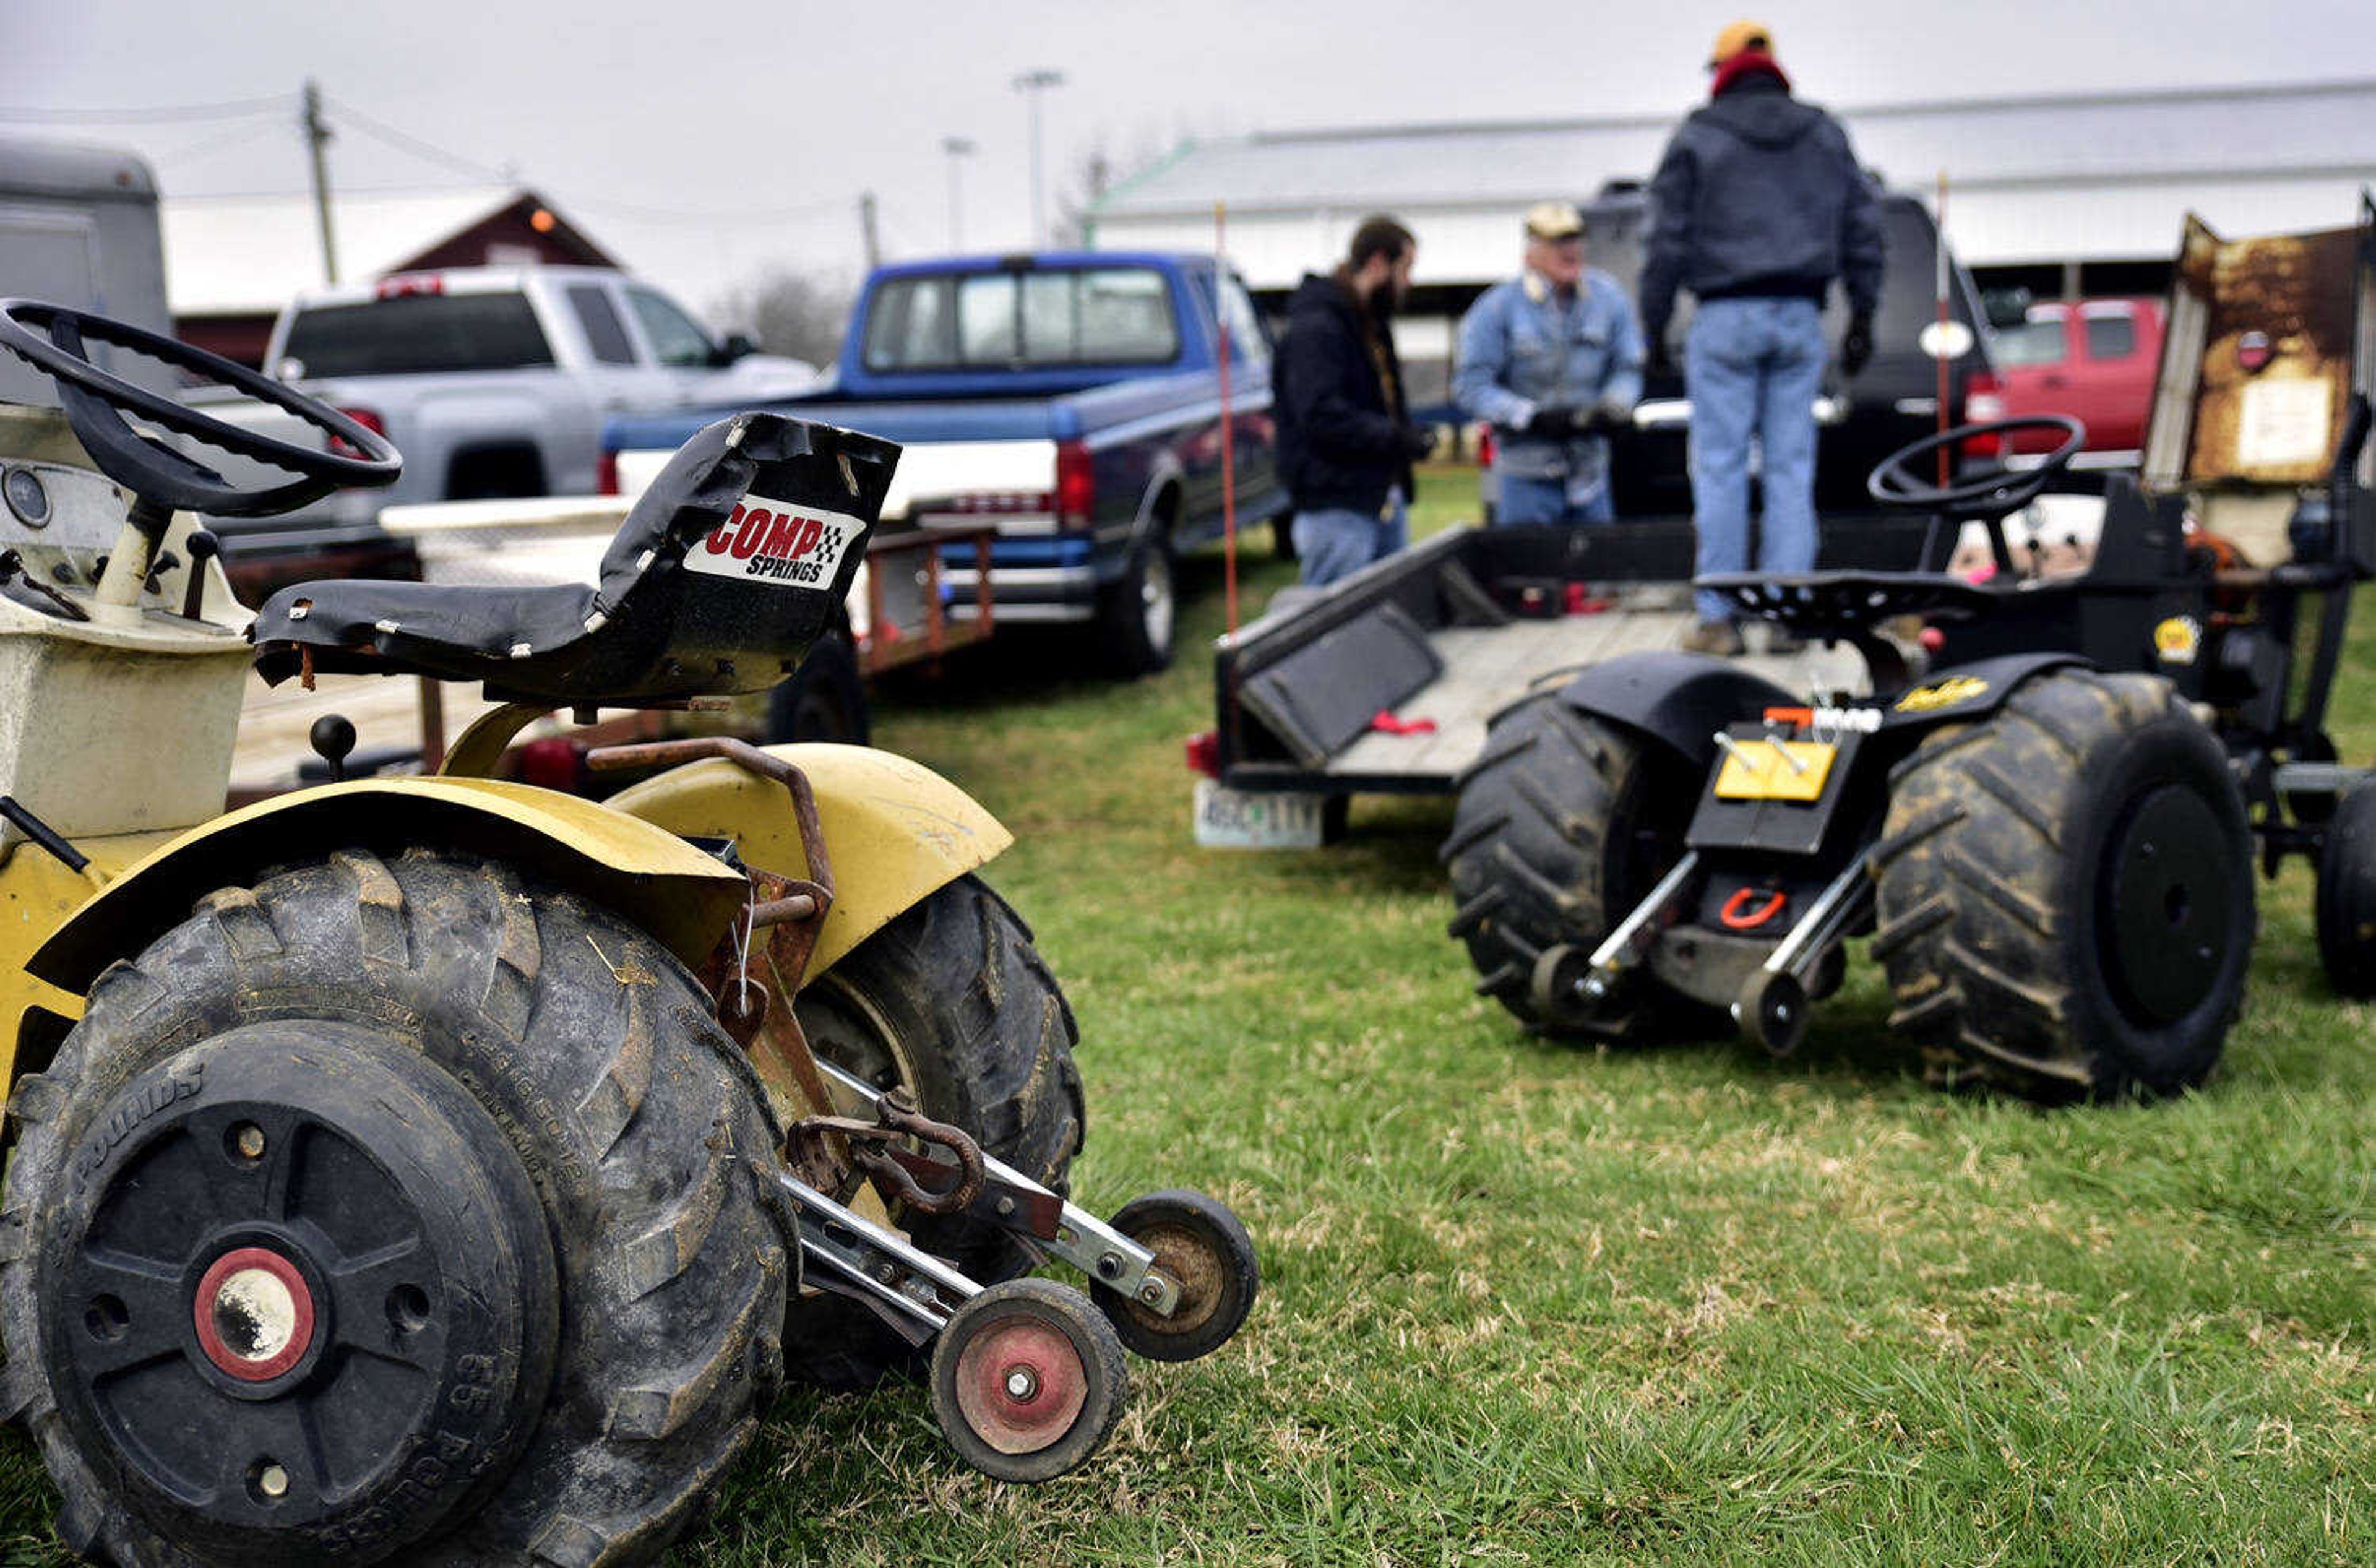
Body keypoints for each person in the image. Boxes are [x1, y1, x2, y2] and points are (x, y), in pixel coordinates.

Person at [1639, 19, 1885, 654]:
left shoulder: (1697, 136)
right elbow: (1863, 225)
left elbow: (1664, 238)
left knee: (1719, 469)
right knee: (1790, 470)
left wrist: (1654, 320)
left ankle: (1718, 618)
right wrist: (1862, 314)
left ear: (1722, 70)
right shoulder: (1824, 133)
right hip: (1801, 317)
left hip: (1722, 318)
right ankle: (1784, 615)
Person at [1453, 201, 1644, 524]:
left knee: (1600, 566)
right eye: (1557, 243)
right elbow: (1471, 386)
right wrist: (1531, 417)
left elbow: (1628, 366)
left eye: (1574, 240)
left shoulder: (1609, 299)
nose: (1569, 251)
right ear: (1531, 251)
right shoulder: (1498, 308)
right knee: (1529, 571)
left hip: (1589, 471)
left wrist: (1613, 406)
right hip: (1526, 472)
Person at [1274, 215, 1434, 588]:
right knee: (1335, 626)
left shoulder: (1368, 324)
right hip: (1336, 505)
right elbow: (1321, 415)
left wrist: (1406, 437)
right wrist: (1397, 438)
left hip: (1378, 494)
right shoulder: (1318, 329)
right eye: (1405, 269)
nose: (1408, 282)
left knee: (1386, 615)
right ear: (1379, 263)